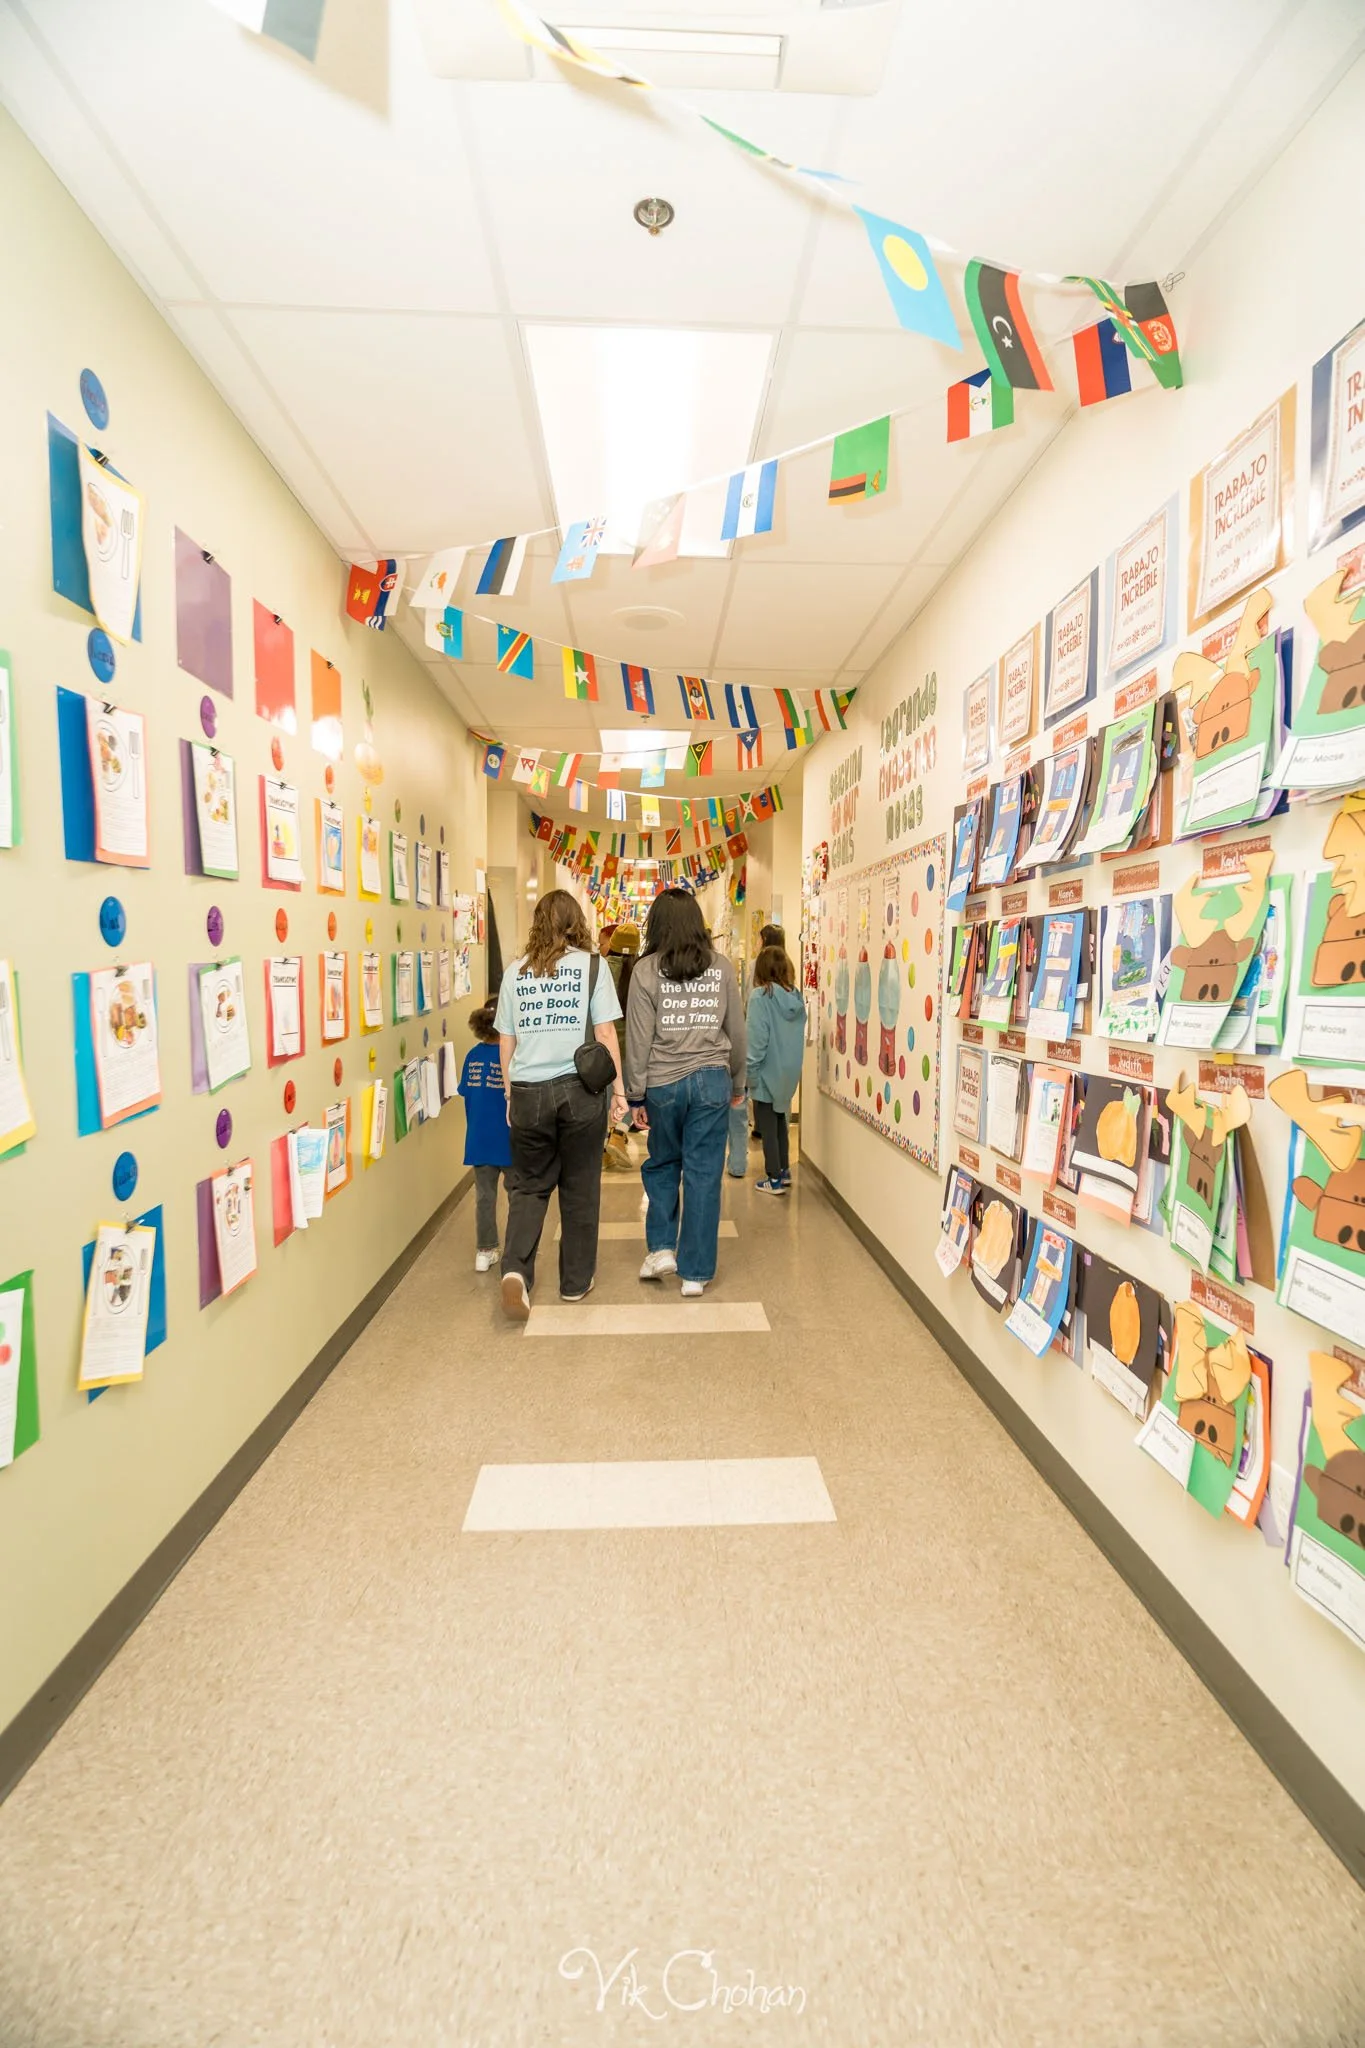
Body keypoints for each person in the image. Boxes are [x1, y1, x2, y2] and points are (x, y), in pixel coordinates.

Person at [493, 889, 626, 1320]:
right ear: (575, 923)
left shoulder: (514, 973)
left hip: (529, 1091)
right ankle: (574, 1282)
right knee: (580, 1186)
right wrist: (619, 1093)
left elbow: (506, 1041)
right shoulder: (593, 966)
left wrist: (511, 1093)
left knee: (528, 1186)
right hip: (579, 1092)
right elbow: (605, 1035)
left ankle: (515, 1270)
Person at [625, 889, 746, 1297]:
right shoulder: (722, 968)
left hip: (663, 1084)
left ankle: (661, 1248)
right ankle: (695, 1273)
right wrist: (738, 1082)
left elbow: (638, 1040)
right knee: (704, 1174)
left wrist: (635, 1095)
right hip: (712, 1078)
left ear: (656, 924)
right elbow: (737, 1031)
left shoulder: (644, 971)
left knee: (662, 1164)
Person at [746, 944, 806, 1194]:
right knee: (781, 1118)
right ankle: (784, 1169)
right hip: (789, 1071)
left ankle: (774, 1178)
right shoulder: (796, 997)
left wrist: (749, 1073)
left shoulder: (761, 997)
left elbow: (756, 1041)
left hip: (766, 1070)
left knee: (767, 1125)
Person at [458, 1002, 512, 1271]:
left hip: (479, 1138)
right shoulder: (512, 1056)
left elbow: (466, 1092)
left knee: (484, 1197)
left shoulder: (472, 1056)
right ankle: (517, 1248)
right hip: (510, 1138)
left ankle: (485, 1250)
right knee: (519, 1194)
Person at [603, 921, 641, 1173]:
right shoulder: (643, 972)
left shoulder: (602, 969)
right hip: (634, 1049)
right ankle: (619, 1134)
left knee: (605, 1100)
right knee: (628, 1097)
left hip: (603, 1048)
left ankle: (604, 1146)